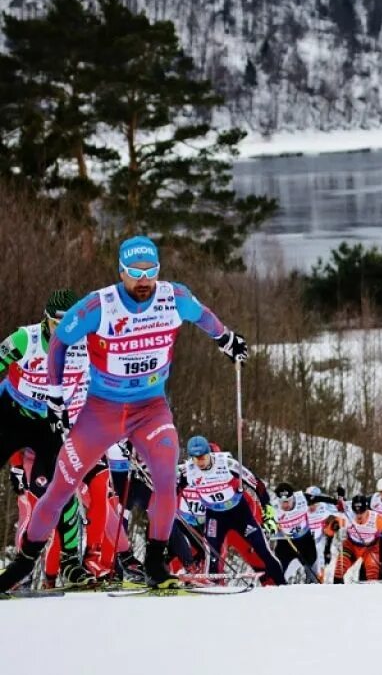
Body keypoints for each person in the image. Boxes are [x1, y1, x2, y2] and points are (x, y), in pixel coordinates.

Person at [0, 238, 250, 592]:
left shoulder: (172, 298)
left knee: (166, 476)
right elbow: (59, 342)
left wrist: (226, 339)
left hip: (150, 409)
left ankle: (155, 562)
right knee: (60, 488)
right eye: (135, 273)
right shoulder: (99, 306)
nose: (143, 280)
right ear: (121, 272)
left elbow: (203, 315)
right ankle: (21, 566)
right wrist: (56, 396)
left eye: (151, 272)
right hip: (102, 412)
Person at [0, 289, 90, 585]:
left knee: (59, 489)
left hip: (48, 424)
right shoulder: (26, 339)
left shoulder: (86, 345)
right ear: (46, 320)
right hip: (12, 413)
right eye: (58, 322)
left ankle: (71, 562)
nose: (65, 330)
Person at [179, 435, 286, 585]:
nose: (199, 462)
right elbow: (169, 482)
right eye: (195, 458)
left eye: (202, 457)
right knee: (212, 552)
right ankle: (212, 585)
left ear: (209, 453)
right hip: (215, 516)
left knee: (262, 550)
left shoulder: (227, 464)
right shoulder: (188, 470)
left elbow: (258, 485)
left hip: (239, 513)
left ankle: (282, 584)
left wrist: (268, 512)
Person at [334, 494, 382, 583]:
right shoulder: (347, 514)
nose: (359, 515)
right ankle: (337, 591)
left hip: (370, 548)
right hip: (351, 546)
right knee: (339, 569)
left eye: (362, 512)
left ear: (367, 508)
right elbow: (331, 523)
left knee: (372, 573)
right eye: (356, 512)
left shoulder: (375, 518)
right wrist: (333, 526)